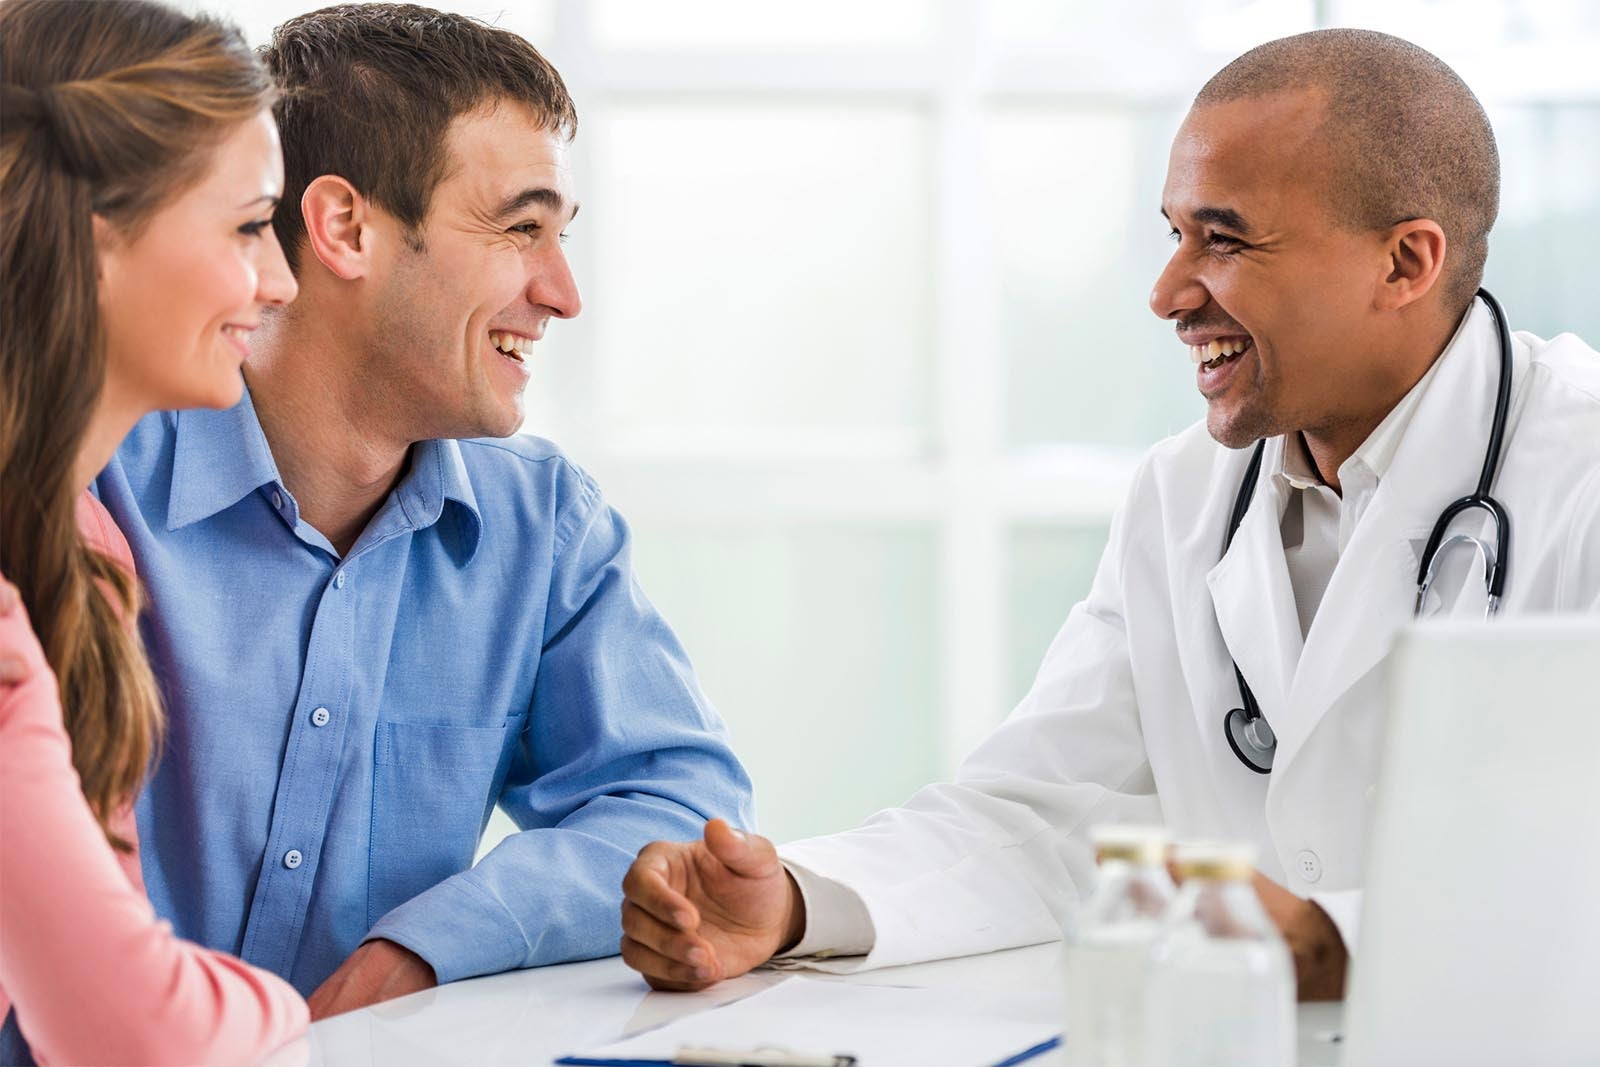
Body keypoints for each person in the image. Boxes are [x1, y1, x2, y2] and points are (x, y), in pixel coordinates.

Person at [616, 28, 1600, 1002]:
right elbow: (1046, 816)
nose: (1168, 292)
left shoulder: (1579, 470)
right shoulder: (1182, 497)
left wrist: (1337, 935)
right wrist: (795, 901)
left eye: (1223, 239)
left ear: (1404, 263)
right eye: (1174, 233)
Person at [88, 1, 755, 1022]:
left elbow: (678, 803)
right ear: (345, 228)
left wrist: (435, 939)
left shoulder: (542, 531)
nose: (564, 292)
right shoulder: (91, 480)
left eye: (560, 236)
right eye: (519, 229)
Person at [0, 0, 308, 1062]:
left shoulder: (84, 556)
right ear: (94, 247)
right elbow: (140, 1029)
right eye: (247, 225)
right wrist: (290, 1004)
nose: (282, 281)